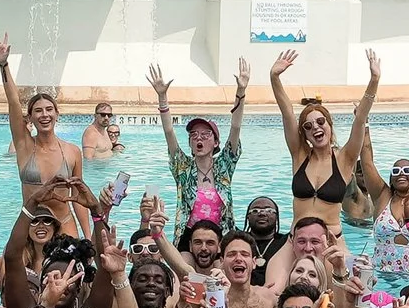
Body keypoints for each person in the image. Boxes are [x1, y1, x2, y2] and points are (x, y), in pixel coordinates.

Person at [268, 48, 380, 237]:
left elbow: (360, 118)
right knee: (272, 268)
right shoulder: (299, 155)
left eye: (320, 122)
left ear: (329, 124)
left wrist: (374, 80)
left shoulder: (345, 159)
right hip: (297, 240)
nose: (316, 128)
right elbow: (287, 113)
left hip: (331, 242)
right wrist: (274, 78)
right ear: (304, 133)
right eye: (308, 126)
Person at [0, 34, 90, 235]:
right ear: (29, 118)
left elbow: (79, 197)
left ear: (57, 114)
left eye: (49, 109)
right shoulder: (24, 146)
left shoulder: (72, 152)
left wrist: (87, 235)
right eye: (38, 110)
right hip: (31, 222)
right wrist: (4, 65)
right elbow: (13, 102)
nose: (44, 114)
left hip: (64, 222)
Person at [146, 60, 247, 229]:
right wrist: (162, 98)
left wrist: (241, 91)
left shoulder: (224, 166)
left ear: (216, 142)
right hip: (189, 237)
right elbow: (169, 132)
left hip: (221, 237)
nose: (198, 138)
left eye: (205, 134)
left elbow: (235, 126)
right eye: (194, 134)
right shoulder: (182, 167)